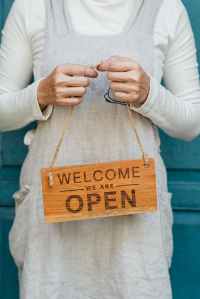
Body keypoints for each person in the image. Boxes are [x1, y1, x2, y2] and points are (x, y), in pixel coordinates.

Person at [0, 0, 200, 298]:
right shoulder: (34, 7)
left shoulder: (167, 9)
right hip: (54, 217)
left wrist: (149, 95)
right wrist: (41, 93)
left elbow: (191, 124)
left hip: (134, 221)